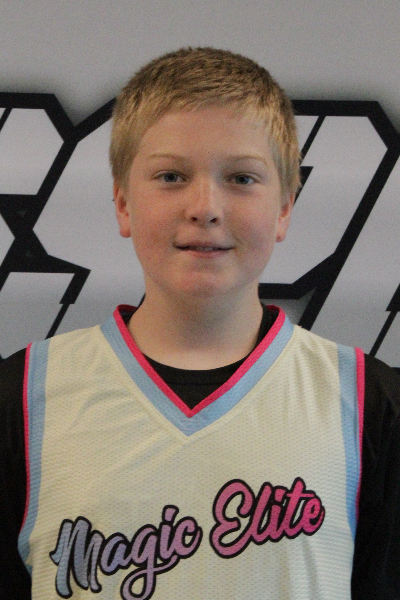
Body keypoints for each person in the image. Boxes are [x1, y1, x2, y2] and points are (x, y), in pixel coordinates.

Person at [0, 47, 399, 600]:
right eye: (171, 176)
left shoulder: (367, 405)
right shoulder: (23, 399)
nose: (205, 207)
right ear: (123, 202)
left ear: (285, 207)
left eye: (241, 178)